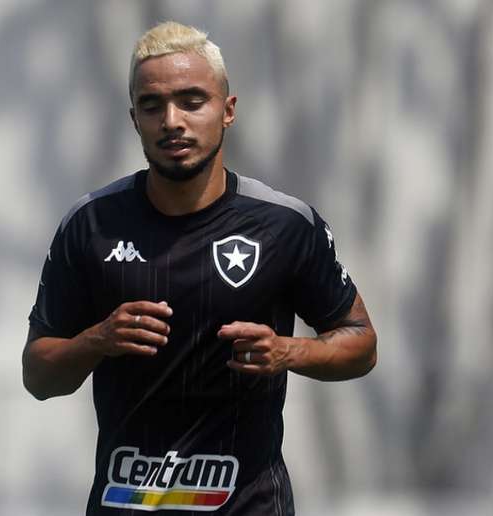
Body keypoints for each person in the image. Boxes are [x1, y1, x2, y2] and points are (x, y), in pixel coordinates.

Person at [23, 21, 377, 515]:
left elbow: (360, 341)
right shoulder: (90, 226)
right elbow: (38, 375)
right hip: (125, 503)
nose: (172, 120)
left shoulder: (284, 225)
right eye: (153, 105)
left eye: (192, 101)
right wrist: (97, 340)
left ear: (227, 110)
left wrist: (288, 351)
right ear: (134, 118)